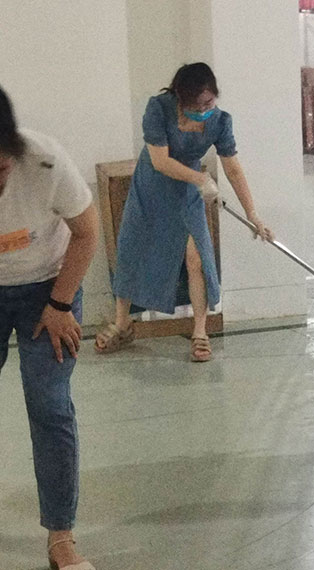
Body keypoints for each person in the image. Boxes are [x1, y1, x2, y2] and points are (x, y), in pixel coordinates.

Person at [0, 76, 98, 568]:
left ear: (13, 148)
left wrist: (60, 306)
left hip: (47, 289)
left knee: (50, 407)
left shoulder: (45, 161)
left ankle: (61, 533)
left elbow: (86, 232)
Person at [95, 63, 273, 360]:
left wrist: (252, 214)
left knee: (197, 258)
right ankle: (122, 323)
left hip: (187, 192)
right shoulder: (158, 108)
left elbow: (232, 167)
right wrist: (201, 179)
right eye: (195, 104)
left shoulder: (220, 121)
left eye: (209, 102)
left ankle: (200, 331)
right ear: (180, 97)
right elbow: (160, 161)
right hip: (152, 186)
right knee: (132, 250)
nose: (203, 109)